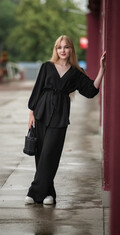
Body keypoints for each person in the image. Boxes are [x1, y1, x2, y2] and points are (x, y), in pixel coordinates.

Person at [25, 35, 106, 205]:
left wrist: (102, 70)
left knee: (49, 154)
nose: (63, 50)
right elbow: (37, 90)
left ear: (71, 50)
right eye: (59, 47)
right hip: (41, 113)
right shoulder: (46, 67)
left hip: (60, 117)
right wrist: (31, 113)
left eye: (66, 47)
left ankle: (34, 193)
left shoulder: (76, 73)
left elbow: (91, 91)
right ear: (56, 50)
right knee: (41, 155)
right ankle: (49, 193)